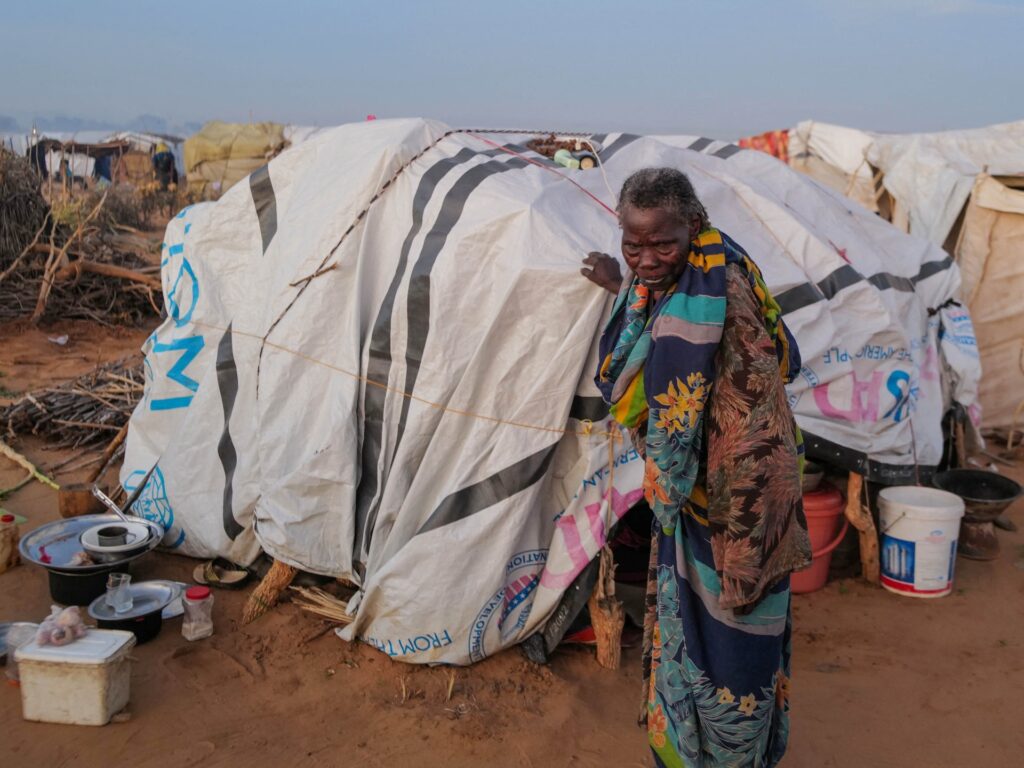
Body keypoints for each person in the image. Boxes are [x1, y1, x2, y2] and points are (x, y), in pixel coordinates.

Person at [582, 168, 811, 767]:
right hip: (752, 496)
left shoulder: (710, 297)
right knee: (725, 631)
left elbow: (671, 430)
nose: (648, 258)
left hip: (736, 505)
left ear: (693, 225)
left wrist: (666, 485)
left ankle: (725, 755)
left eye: (663, 243)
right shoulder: (711, 260)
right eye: (634, 245)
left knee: (732, 640)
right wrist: (621, 282)